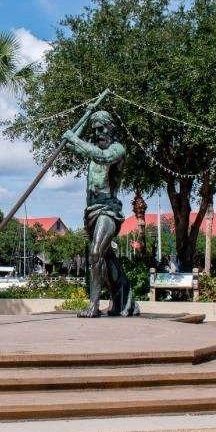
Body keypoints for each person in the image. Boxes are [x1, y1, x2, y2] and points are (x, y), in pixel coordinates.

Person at [62, 110, 139, 318]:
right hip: (91, 212)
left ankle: (93, 305)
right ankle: (124, 299)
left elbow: (103, 157)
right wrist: (76, 129)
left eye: (102, 128)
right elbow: (68, 143)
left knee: (95, 253)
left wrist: (74, 139)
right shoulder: (92, 149)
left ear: (111, 127)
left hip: (108, 211)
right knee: (106, 258)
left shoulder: (117, 150)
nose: (98, 133)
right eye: (95, 129)